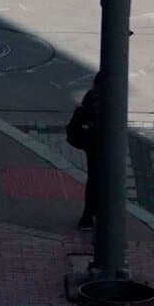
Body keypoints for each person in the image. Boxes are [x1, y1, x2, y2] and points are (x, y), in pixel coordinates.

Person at [65, 80, 101, 230]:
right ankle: (90, 215)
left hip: (91, 143)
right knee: (97, 180)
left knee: (94, 178)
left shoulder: (92, 94)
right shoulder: (103, 99)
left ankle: (89, 215)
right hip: (98, 143)